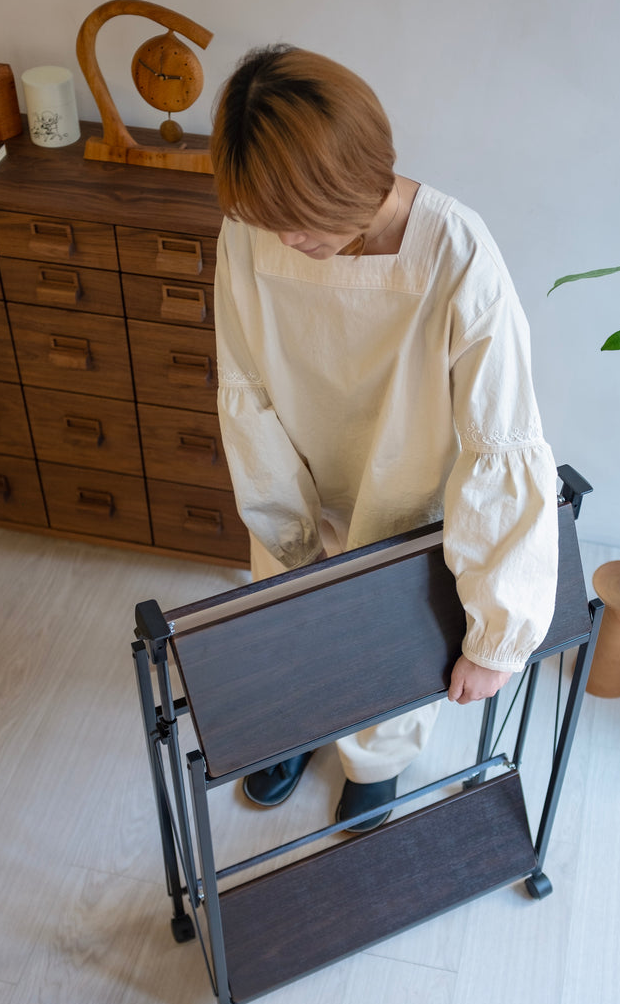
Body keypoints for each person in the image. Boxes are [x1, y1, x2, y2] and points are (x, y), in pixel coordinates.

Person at [211, 45, 558, 832]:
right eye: (267, 222)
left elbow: (499, 440)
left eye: (300, 220)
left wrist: (497, 631)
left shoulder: (458, 255)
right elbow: (248, 391)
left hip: (410, 490)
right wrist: (283, 530)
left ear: (356, 174)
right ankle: (299, 726)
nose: (285, 240)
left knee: (391, 630)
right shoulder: (250, 233)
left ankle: (377, 757)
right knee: (290, 608)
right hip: (297, 467)